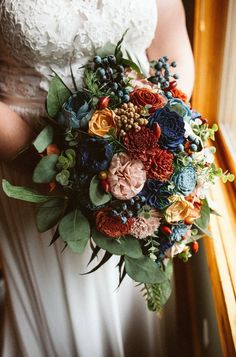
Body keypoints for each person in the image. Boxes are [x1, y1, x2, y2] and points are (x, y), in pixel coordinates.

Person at [0, 0, 194, 356]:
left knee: (133, 309)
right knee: (63, 319)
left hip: (143, 173)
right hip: (29, 164)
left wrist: (164, 132)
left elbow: (169, 31)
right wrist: (57, 167)